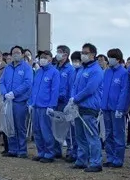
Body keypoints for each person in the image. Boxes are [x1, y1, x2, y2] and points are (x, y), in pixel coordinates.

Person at [70, 43, 105, 171]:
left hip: (89, 107)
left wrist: (76, 98)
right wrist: (73, 98)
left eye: (85, 53)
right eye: (82, 52)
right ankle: (82, 160)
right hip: (78, 107)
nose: (83, 55)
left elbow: (90, 89)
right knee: (80, 136)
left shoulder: (96, 70)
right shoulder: (81, 69)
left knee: (91, 135)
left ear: (93, 54)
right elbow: (75, 86)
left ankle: (96, 162)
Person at [0, 45, 34, 157]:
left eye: (18, 52)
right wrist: (5, 93)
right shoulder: (8, 67)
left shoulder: (26, 68)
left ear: (23, 54)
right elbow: (1, 82)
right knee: (10, 125)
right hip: (8, 101)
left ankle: (22, 150)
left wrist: (14, 93)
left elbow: (27, 83)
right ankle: (12, 149)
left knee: (20, 126)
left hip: (20, 101)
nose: (16, 54)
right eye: (13, 53)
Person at [31, 50, 62, 163]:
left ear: (50, 59)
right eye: (41, 57)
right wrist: (31, 102)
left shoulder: (54, 72)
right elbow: (34, 88)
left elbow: (55, 90)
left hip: (45, 106)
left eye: (45, 57)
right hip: (36, 105)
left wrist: (51, 105)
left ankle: (49, 153)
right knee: (37, 130)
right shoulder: (38, 72)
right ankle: (41, 152)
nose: (42, 59)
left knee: (46, 130)